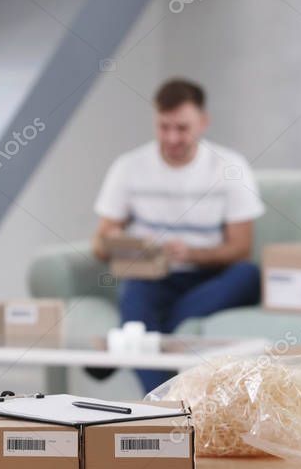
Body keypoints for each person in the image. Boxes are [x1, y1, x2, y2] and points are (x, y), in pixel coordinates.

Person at [91, 78, 264, 394]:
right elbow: (99, 245)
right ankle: (167, 409)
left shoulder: (230, 166)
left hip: (209, 278)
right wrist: (120, 241)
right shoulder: (129, 167)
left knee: (249, 275)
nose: (172, 137)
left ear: (203, 122)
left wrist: (192, 254)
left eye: (182, 128)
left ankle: (130, 341)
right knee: (136, 292)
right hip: (154, 277)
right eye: (164, 127)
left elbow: (241, 249)